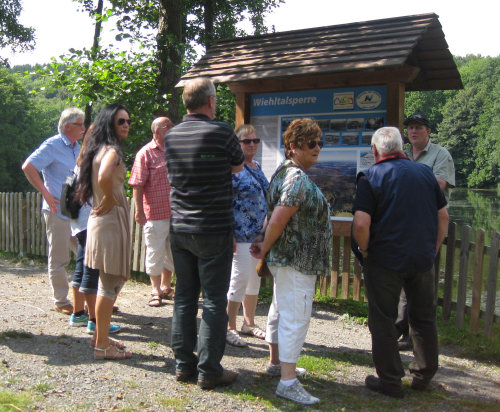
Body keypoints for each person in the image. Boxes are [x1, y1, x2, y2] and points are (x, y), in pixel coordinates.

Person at [352, 126, 449, 398]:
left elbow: (361, 223)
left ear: (375, 151)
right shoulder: (425, 174)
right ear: (401, 147)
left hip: (385, 260)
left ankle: (391, 381)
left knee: (382, 319)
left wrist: (367, 249)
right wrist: (433, 248)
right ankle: (423, 375)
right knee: (423, 317)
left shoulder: (370, 176)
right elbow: (443, 217)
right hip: (422, 259)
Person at [165, 78, 244, 389]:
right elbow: (238, 167)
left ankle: (184, 366)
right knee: (213, 300)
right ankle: (209, 371)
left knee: (184, 297)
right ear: (210, 102)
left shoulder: (171, 136)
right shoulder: (221, 132)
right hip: (213, 228)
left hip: (180, 227)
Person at [250, 118, 332, 405]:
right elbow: (279, 218)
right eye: (311, 143)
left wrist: (265, 245)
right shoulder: (296, 178)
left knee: (280, 310)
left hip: (288, 259)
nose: (317, 148)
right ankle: (288, 381)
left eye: (320, 142)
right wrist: (264, 248)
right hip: (297, 260)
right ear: (293, 147)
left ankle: (276, 364)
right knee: (295, 317)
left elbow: (273, 217)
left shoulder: (283, 172)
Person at [76, 103, 132, 360]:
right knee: (109, 285)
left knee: (105, 284)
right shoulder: (111, 152)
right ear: (110, 123)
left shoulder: (96, 150)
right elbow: (104, 177)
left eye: (128, 121)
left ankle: (102, 338)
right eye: (121, 121)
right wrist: (110, 198)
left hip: (102, 221)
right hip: (109, 220)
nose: (126, 125)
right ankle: (101, 345)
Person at [395, 113, 456, 350]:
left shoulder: (441, 155)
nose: (413, 132)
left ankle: (416, 335)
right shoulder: (403, 154)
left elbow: (438, 185)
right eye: (410, 128)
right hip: (403, 223)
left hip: (427, 224)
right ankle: (402, 330)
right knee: (403, 277)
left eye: (418, 127)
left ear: (428, 131)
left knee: (422, 279)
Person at [22, 108, 84, 314]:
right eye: (80, 124)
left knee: (87, 254)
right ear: (68, 126)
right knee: (59, 258)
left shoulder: (77, 147)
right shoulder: (53, 145)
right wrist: (46, 195)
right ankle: (61, 301)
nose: (84, 128)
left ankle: (90, 300)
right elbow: (28, 166)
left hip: (76, 210)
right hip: (57, 210)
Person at [69, 125, 121, 337]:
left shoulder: (82, 159)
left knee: (82, 266)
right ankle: (93, 320)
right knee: (92, 269)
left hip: (80, 221)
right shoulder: (96, 160)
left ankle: (78, 312)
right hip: (91, 218)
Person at [226, 124, 268, 347]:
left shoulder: (256, 166)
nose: (252, 145)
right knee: (239, 279)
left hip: (257, 235)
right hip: (240, 234)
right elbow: (226, 201)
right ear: (237, 144)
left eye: (255, 141)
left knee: (254, 281)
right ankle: (229, 326)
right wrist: (229, 233)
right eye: (247, 141)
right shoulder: (233, 169)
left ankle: (249, 323)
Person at [129, 116, 175, 307]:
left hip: (177, 213)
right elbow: (137, 185)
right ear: (157, 131)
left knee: (173, 253)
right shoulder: (145, 153)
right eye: (168, 126)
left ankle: (166, 286)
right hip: (155, 213)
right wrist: (139, 211)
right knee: (155, 252)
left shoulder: (175, 151)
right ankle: (155, 290)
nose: (172, 128)